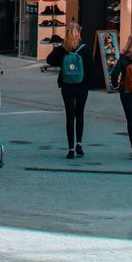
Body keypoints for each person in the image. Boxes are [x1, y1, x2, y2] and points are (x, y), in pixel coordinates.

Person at [46, 21, 93, 159]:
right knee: (80, 114)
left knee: (69, 116)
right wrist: (88, 83)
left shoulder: (63, 49)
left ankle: (70, 148)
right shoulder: (85, 49)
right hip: (82, 86)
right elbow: (91, 69)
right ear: (78, 33)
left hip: (67, 86)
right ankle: (79, 144)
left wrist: (58, 48)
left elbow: (50, 60)